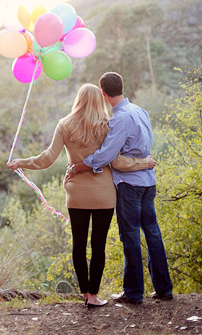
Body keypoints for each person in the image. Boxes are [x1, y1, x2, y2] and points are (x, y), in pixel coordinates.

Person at [7, 83, 153, 308]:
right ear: (99, 100)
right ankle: (94, 296)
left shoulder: (64, 125)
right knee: (99, 245)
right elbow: (116, 161)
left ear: (78, 99)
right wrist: (144, 163)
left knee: (78, 244)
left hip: (76, 193)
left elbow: (47, 158)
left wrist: (21, 162)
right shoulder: (107, 126)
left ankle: (84, 293)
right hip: (104, 194)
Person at [69, 71, 174, 305]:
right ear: (121, 88)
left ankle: (134, 293)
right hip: (149, 180)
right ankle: (164, 288)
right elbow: (147, 144)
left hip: (130, 184)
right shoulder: (139, 111)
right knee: (153, 233)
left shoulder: (119, 119)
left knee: (130, 236)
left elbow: (106, 154)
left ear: (103, 93)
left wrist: (80, 166)